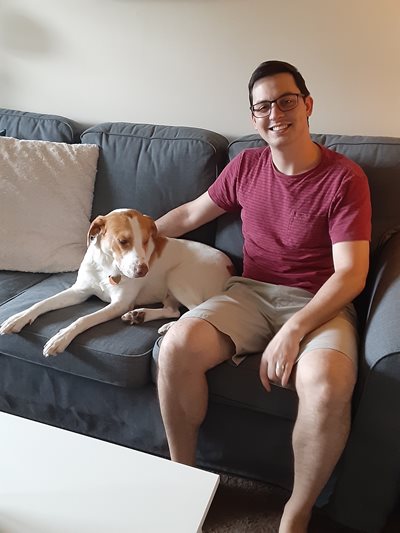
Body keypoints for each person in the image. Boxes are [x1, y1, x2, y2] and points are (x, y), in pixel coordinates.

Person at [155, 60, 371, 533]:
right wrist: (135, 232)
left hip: (319, 302)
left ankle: (296, 513)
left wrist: (294, 330)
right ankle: (182, 478)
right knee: (175, 346)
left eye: (286, 100)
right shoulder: (246, 165)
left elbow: (351, 274)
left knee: (328, 382)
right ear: (254, 118)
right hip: (249, 294)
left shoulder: (344, 179)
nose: (276, 112)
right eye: (263, 106)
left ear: (308, 104)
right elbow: (192, 213)